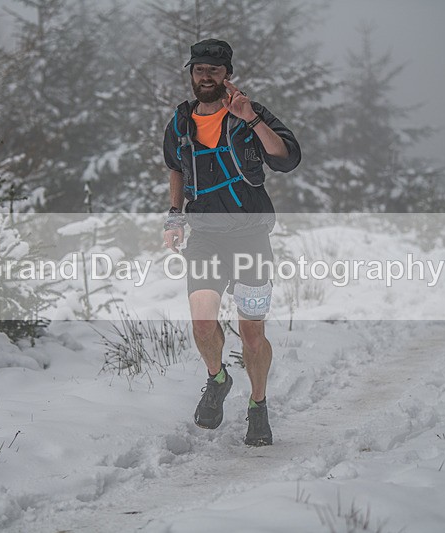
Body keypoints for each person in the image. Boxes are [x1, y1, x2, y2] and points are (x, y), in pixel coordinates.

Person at [161, 39, 301, 446]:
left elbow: (286, 158)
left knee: (252, 333)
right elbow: (175, 168)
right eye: (199, 70)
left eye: (214, 70)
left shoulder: (248, 115)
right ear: (192, 74)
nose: (205, 77)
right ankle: (218, 379)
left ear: (228, 75)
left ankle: (258, 405)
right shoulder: (180, 123)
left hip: (250, 238)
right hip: (204, 237)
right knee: (203, 323)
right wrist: (174, 215)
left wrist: (251, 118)